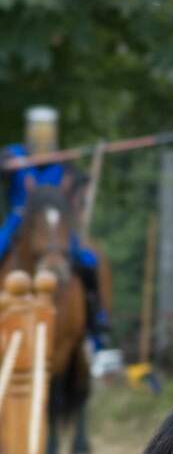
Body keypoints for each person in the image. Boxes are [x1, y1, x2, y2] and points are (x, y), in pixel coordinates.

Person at [0, 106, 110, 349]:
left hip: (54, 223)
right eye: (38, 130)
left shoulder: (62, 161)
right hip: (20, 218)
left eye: (46, 131)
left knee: (88, 259)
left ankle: (96, 319)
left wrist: (80, 179)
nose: (42, 136)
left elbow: (78, 183)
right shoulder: (14, 154)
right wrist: (8, 165)